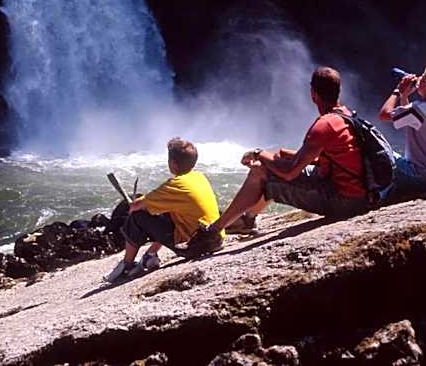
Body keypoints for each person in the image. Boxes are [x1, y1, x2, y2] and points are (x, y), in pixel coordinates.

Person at [186, 66, 369, 255]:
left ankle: (213, 233)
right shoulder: (345, 115)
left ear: (313, 94)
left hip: (344, 202)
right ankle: (247, 219)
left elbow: (289, 173)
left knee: (261, 170)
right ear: (338, 91)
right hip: (359, 195)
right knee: (275, 162)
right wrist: (283, 155)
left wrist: (259, 153)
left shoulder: (324, 125)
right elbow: (324, 158)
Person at [104, 137, 221, 283]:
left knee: (137, 215)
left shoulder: (176, 184)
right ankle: (150, 255)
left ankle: (126, 266)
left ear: (172, 163)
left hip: (196, 247)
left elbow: (136, 207)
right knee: (168, 209)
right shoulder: (199, 177)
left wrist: (135, 203)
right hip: (216, 240)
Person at [378, 63, 426, 199]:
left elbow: (384, 114)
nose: (419, 78)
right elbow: (408, 118)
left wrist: (397, 91)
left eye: (423, 77)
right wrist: (404, 96)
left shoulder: (419, 109)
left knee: (378, 151)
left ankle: (380, 195)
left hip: (417, 176)